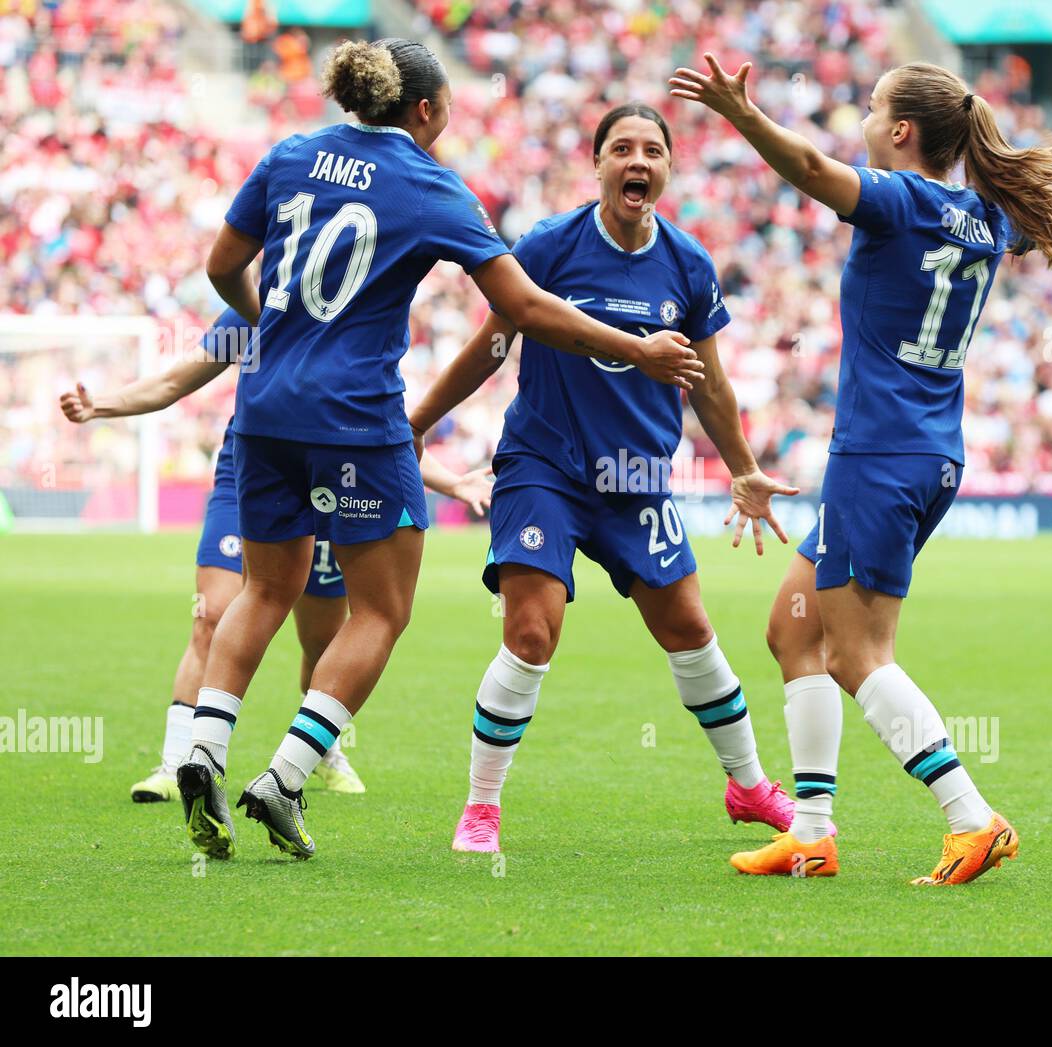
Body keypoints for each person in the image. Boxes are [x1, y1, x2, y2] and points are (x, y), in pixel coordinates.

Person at [670, 56, 1052, 881]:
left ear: (902, 132)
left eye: (872, 109)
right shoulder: (988, 214)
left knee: (859, 654)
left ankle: (971, 815)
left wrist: (743, 113)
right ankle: (813, 829)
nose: (864, 120)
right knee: (793, 629)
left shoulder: (899, 199)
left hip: (879, 452)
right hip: (925, 449)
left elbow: (807, 168)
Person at [186, 37, 702, 861]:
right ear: (424, 110)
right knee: (382, 610)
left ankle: (202, 752)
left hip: (263, 410)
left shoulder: (288, 153)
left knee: (264, 586)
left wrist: (279, 337)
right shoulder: (430, 185)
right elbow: (522, 308)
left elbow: (222, 267)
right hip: (355, 418)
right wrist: (637, 348)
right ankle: (283, 778)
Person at [409, 103, 801, 854]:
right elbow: (494, 345)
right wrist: (417, 421)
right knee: (531, 629)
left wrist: (745, 469)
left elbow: (709, 384)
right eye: (621, 148)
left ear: (668, 170)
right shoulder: (550, 247)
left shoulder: (687, 265)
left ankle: (747, 786)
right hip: (544, 467)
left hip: (637, 478)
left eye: (653, 150)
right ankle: (481, 806)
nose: (637, 161)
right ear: (596, 165)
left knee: (689, 629)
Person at [59, 308, 495, 801]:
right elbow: (176, 380)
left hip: (334, 472)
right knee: (213, 613)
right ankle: (179, 762)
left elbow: (384, 429)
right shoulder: (255, 309)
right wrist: (101, 407)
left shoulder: (353, 304)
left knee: (322, 640)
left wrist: (452, 480)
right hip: (253, 468)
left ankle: (323, 751)